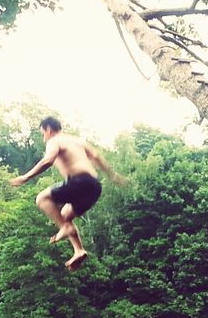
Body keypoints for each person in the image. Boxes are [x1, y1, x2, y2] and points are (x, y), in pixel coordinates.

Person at [10, 116, 124, 271]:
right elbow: (97, 157)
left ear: (48, 130)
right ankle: (78, 250)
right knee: (66, 213)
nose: (44, 138)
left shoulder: (54, 141)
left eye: (43, 133)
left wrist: (26, 177)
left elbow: (48, 160)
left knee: (42, 198)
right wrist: (113, 176)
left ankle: (65, 227)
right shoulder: (77, 141)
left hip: (79, 182)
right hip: (94, 186)